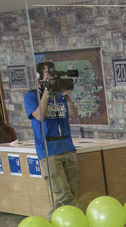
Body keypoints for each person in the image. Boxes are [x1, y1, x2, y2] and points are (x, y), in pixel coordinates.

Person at [24, 61, 81, 215]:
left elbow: (74, 115)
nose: (52, 76)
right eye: (48, 72)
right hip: (49, 150)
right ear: (39, 76)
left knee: (70, 189)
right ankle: (77, 219)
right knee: (63, 192)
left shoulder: (59, 95)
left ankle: (53, 221)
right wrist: (47, 92)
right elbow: (39, 116)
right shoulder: (31, 96)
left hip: (67, 146)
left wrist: (68, 99)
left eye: (53, 72)